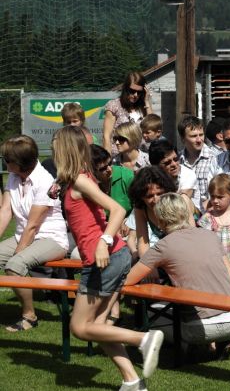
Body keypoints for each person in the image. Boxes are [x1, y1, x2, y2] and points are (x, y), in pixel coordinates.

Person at [52, 126, 163, 391]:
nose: (53, 151)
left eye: (56, 146)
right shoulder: (77, 179)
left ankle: (144, 339)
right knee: (98, 326)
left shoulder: (81, 180)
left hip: (104, 259)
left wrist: (104, 241)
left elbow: (117, 209)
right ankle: (132, 381)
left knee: (80, 327)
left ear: (66, 150)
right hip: (113, 257)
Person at [125, 193, 230, 349]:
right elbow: (229, 274)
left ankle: (186, 347)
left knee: (152, 314)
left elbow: (127, 280)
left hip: (200, 328)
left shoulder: (163, 246)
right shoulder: (210, 235)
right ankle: (214, 346)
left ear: (160, 219)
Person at [0, 135, 69, 331]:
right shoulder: (13, 177)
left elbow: (32, 225)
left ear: (20, 162)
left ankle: (29, 317)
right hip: (23, 235)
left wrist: (18, 254)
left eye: (7, 159)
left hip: (51, 239)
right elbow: (5, 211)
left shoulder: (45, 180)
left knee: (15, 265)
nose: (4, 162)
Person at [198, 174, 230, 284]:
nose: (215, 201)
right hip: (216, 271)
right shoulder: (207, 218)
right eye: (212, 197)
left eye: (220, 197)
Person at [125, 166, 178, 261]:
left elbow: (191, 239)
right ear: (141, 197)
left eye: (160, 193)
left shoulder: (180, 202)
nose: (156, 199)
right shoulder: (141, 209)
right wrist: (148, 265)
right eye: (149, 196)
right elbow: (143, 243)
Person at [103, 72, 153, 155]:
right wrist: (107, 159)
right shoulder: (114, 105)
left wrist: (147, 101)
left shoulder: (144, 107)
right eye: (132, 91)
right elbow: (106, 136)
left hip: (141, 156)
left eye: (139, 92)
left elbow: (152, 126)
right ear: (126, 88)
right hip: (119, 156)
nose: (135, 95)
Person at [178, 116, 216, 208]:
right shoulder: (177, 160)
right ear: (183, 139)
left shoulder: (215, 159)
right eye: (193, 136)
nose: (199, 140)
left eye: (201, 135)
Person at [148, 139, 197, 209]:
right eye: (167, 163)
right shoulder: (150, 176)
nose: (174, 164)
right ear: (156, 167)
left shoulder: (188, 175)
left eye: (176, 159)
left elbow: (180, 205)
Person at [91, 145, 134, 217]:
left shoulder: (127, 176)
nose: (109, 169)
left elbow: (141, 207)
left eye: (110, 163)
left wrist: (129, 221)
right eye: (103, 169)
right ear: (92, 171)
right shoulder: (88, 184)